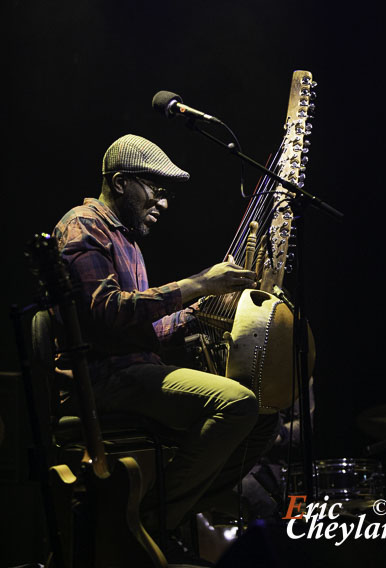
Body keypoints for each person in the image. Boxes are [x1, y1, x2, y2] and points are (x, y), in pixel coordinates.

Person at [53, 134, 279, 563]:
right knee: (236, 404)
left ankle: (165, 512)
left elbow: (142, 332)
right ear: (121, 183)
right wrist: (198, 283)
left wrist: (202, 309)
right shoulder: (85, 225)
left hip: (132, 372)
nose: (164, 202)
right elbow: (107, 313)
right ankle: (153, 522)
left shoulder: (128, 241)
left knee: (264, 416)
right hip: (103, 379)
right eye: (156, 189)